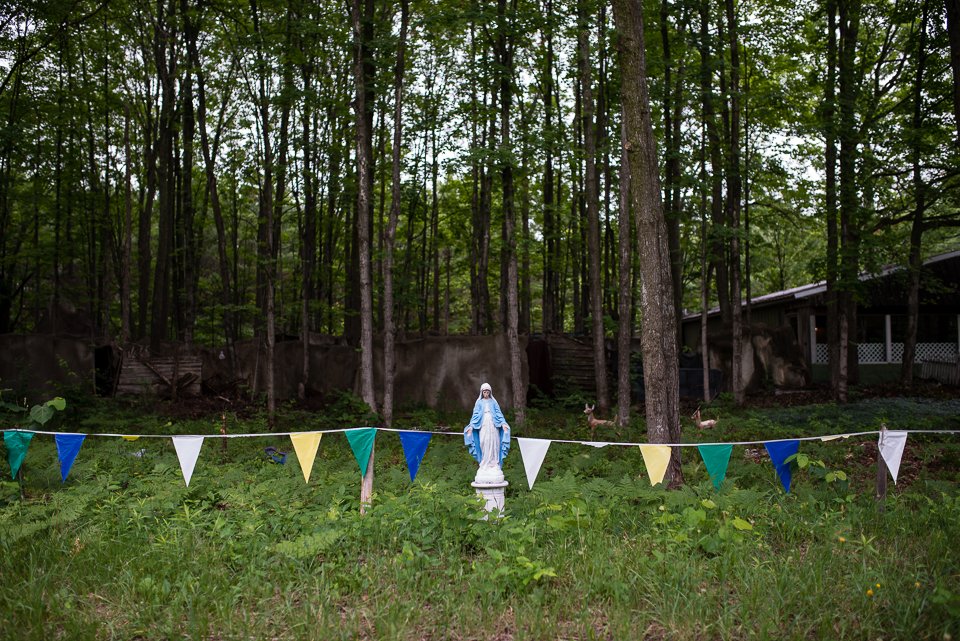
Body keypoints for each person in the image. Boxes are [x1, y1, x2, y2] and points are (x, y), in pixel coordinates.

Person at [463, 383, 511, 483]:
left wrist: (503, 423)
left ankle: (494, 464)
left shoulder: (493, 402)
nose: (486, 393)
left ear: (490, 392)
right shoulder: (479, 403)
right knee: (483, 443)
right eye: (484, 392)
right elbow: (475, 415)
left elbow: (498, 413)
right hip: (483, 425)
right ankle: (485, 463)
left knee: (494, 443)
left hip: (493, 426)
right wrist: (471, 426)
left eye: (488, 392)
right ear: (482, 392)